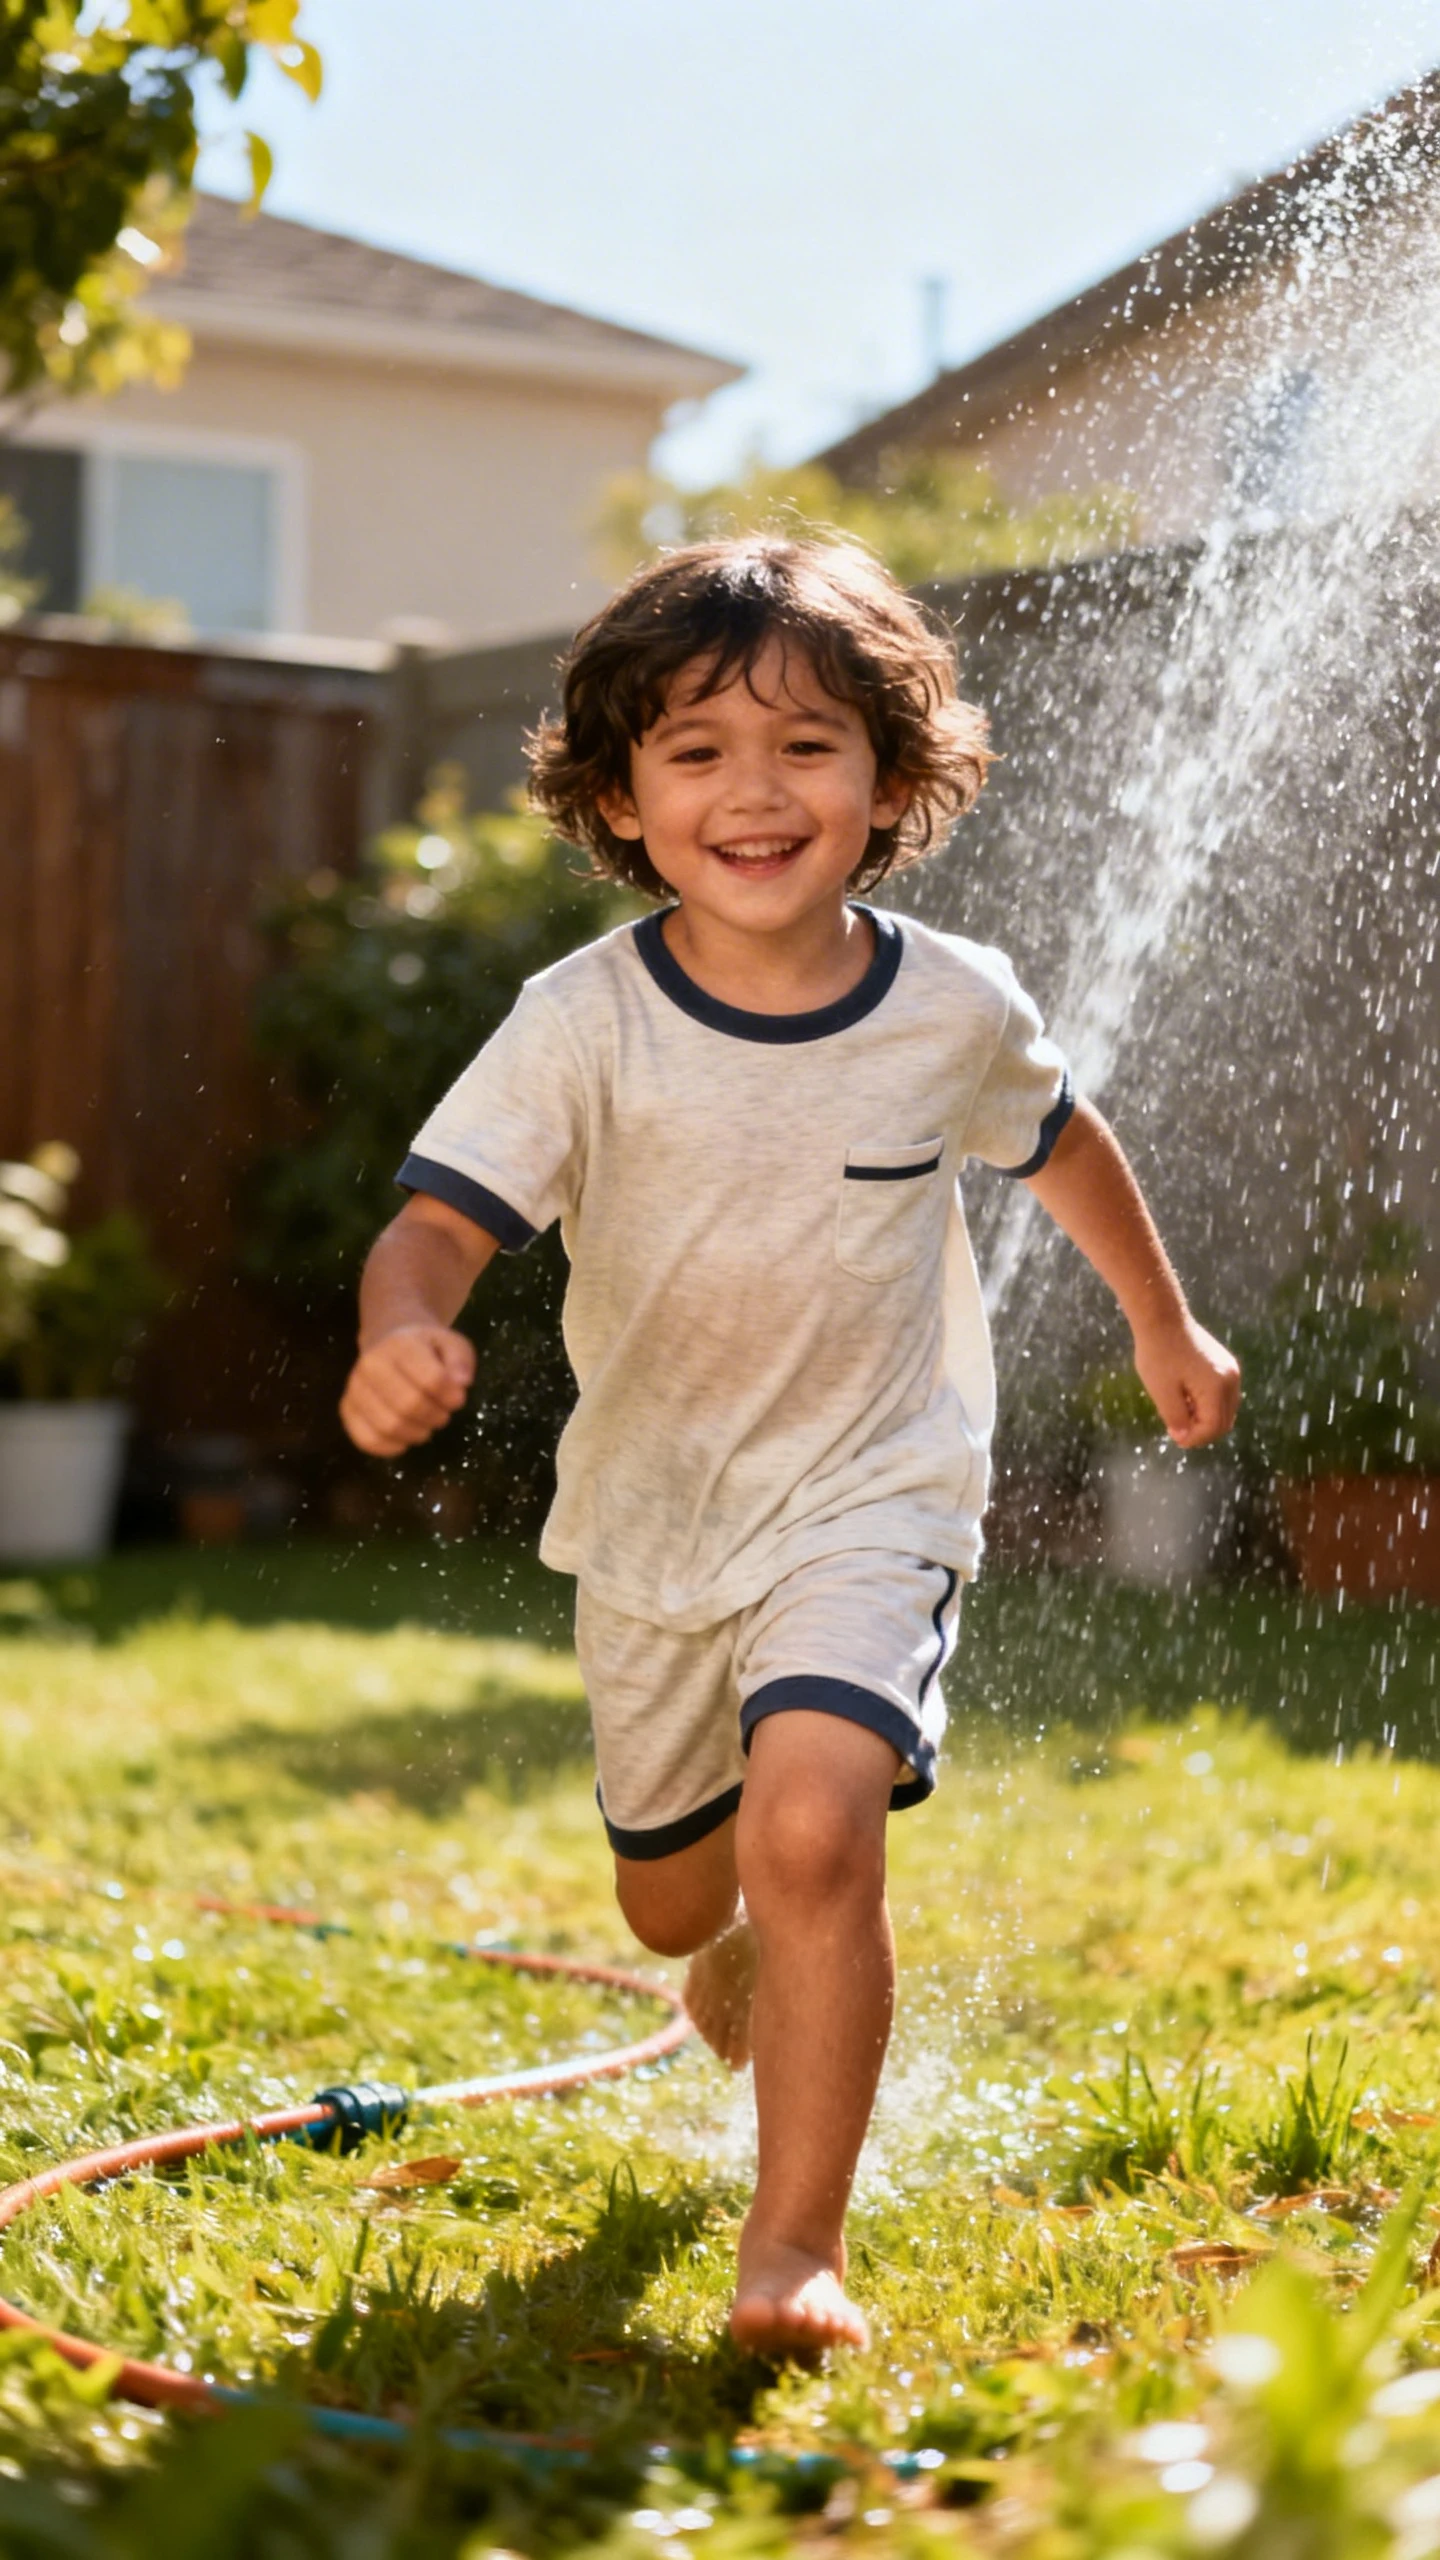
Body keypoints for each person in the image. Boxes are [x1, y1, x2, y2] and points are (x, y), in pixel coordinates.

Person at [339, 535, 1240, 2361]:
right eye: (695, 752)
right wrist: (400, 1324)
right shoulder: (580, 1023)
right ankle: (727, 1935)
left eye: (809, 746)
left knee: (818, 1829)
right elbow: (436, 1224)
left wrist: (1160, 1313)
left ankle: (794, 2246)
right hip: (660, 1521)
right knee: (679, 1898)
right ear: (620, 798)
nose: (757, 791)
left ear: (891, 783)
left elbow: (1062, 1137)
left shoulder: (950, 1001)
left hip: (874, 1490)